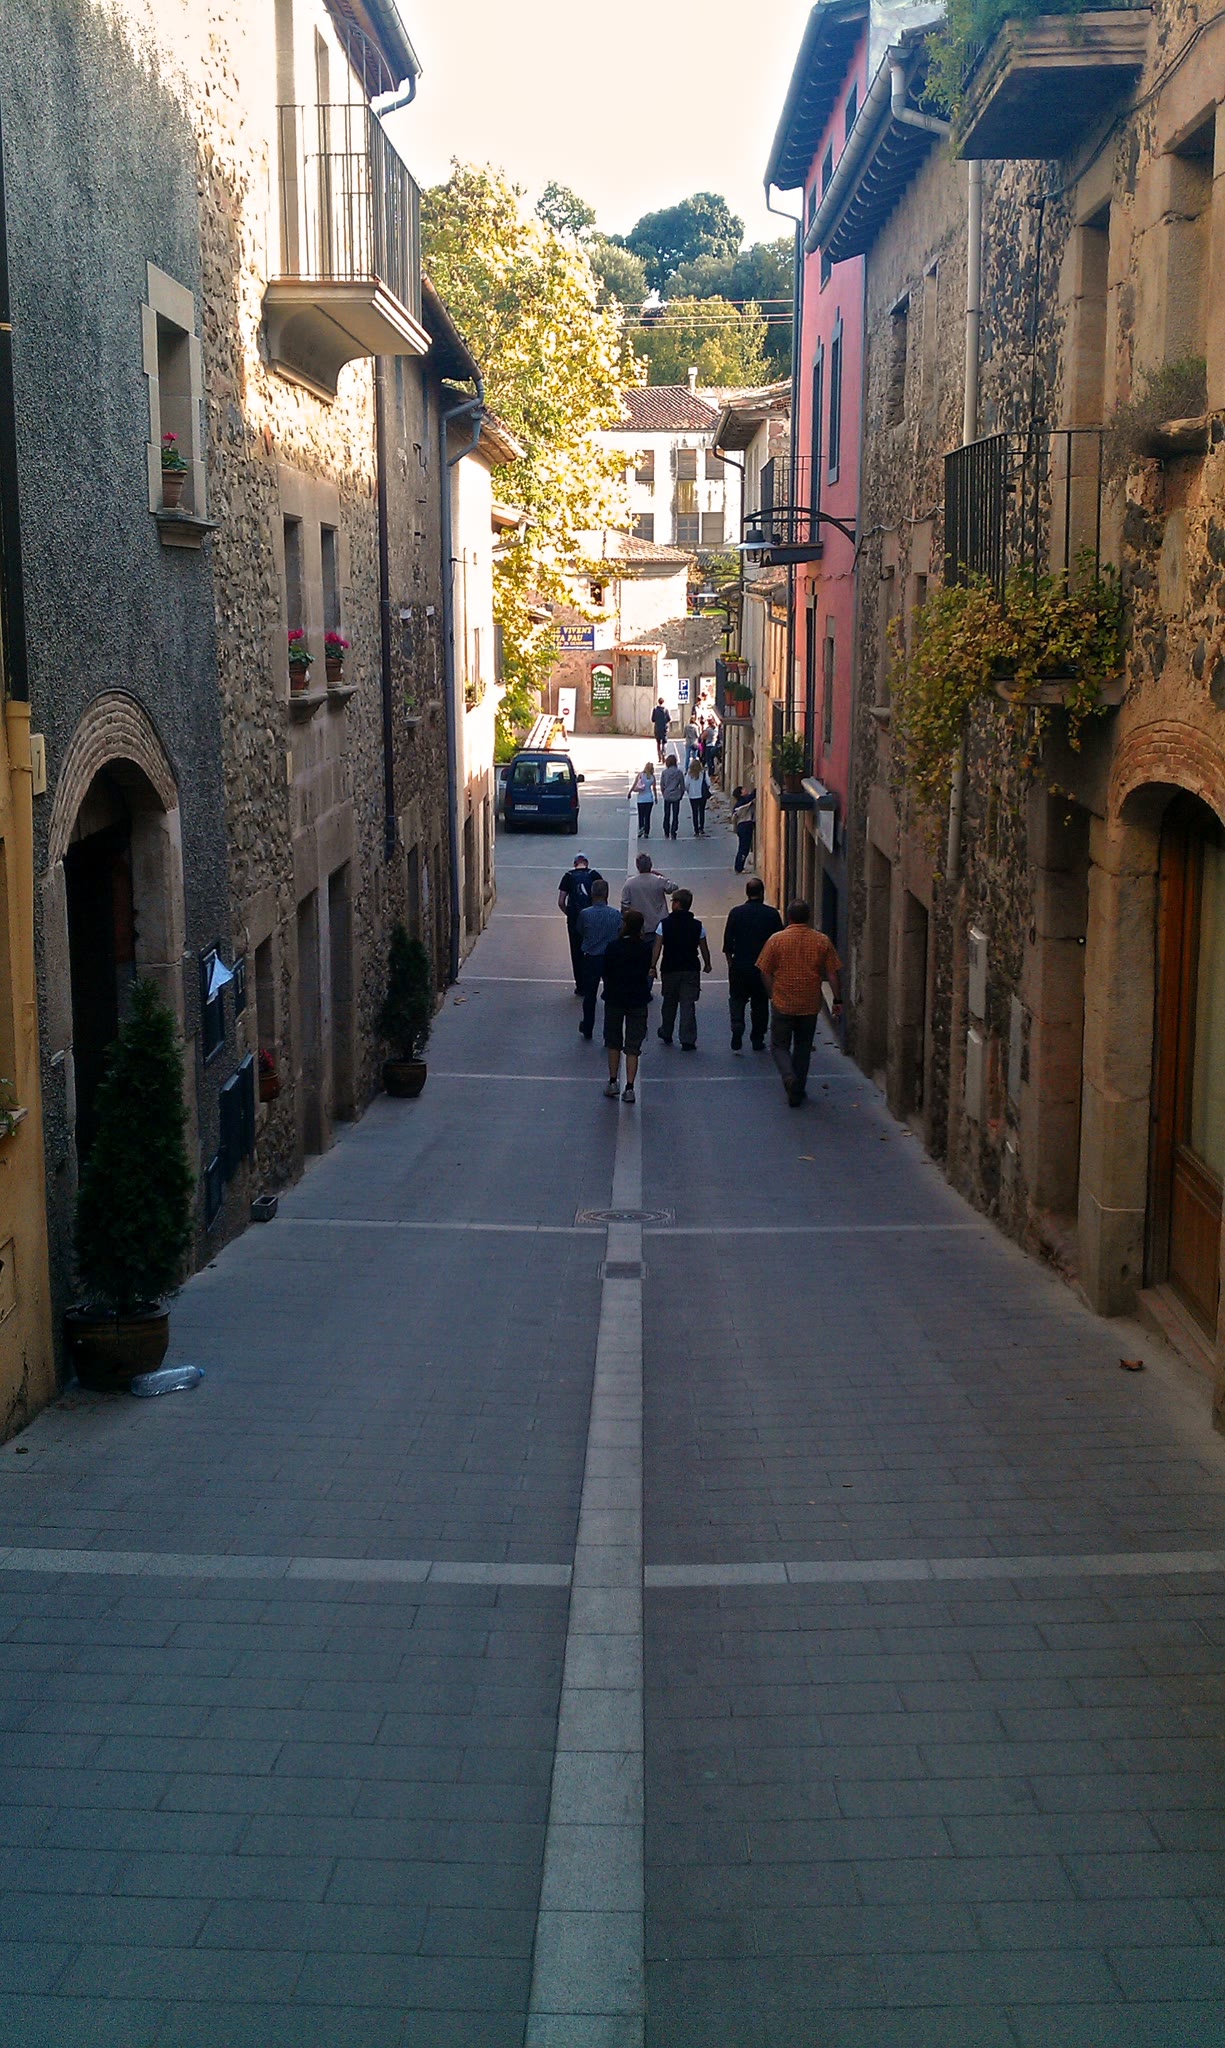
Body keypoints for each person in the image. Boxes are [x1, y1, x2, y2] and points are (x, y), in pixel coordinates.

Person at [756, 899, 842, 1107]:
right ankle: (798, 1089)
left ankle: (789, 1077)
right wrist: (837, 999)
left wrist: (772, 993)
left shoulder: (776, 940)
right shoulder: (822, 941)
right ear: (808, 917)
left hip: (783, 1002)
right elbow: (832, 973)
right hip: (809, 1003)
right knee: (803, 1047)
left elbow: (764, 970)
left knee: (779, 1046)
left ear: (789, 917)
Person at [601, 907, 656, 1103]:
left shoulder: (613, 947)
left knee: (613, 1041)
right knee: (633, 1046)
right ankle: (630, 1087)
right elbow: (646, 971)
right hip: (638, 998)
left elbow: (605, 971)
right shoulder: (644, 949)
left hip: (615, 998)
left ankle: (613, 1081)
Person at [722, 878, 783, 1052]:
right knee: (760, 1004)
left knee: (737, 999)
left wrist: (731, 965)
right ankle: (757, 1037)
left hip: (740, 965)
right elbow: (779, 942)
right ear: (762, 893)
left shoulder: (736, 913)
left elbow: (728, 944)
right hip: (763, 968)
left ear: (747, 893)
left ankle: (737, 1024)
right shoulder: (771, 914)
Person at [657, 888, 712, 1050]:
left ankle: (666, 1031)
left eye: (673, 901)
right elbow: (704, 947)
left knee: (669, 1002)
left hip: (670, 968)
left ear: (677, 904)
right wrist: (707, 963)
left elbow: (657, 946)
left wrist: (652, 965)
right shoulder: (697, 925)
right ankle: (687, 1039)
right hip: (690, 968)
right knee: (688, 1004)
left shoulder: (664, 924)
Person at [576, 878, 622, 1040]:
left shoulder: (585, 914)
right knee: (610, 996)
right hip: (610, 958)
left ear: (592, 894)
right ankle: (609, 1032)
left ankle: (588, 1027)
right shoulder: (616, 914)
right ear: (606, 894)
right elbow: (619, 933)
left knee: (590, 995)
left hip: (591, 957)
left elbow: (580, 931)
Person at [557, 853, 603, 996]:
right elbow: (601, 898)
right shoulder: (594, 875)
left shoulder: (568, 876)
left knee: (576, 952)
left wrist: (569, 913)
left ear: (575, 864)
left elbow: (561, 902)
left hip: (575, 920)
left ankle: (580, 985)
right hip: (592, 918)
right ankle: (591, 983)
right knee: (593, 950)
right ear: (587, 863)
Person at [621, 851, 675, 936]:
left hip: (639, 926)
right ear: (650, 865)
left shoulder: (629, 883)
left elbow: (625, 905)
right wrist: (661, 876)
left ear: (637, 866)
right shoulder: (658, 880)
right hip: (658, 925)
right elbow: (673, 887)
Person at [659, 753, 685, 840]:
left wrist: (664, 792)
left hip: (667, 794)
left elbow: (662, 784)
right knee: (675, 814)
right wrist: (681, 794)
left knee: (666, 813)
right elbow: (682, 785)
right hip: (676, 795)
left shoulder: (664, 773)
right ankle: (674, 831)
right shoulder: (679, 772)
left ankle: (666, 830)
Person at [629, 761, 658, 838]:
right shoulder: (652, 777)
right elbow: (654, 788)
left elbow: (635, 784)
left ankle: (641, 827)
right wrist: (655, 797)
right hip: (649, 799)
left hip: (641, 799)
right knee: (647, 816)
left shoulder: (640, 775)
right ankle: (646, 832)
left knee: (641, 815)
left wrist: (630, 792)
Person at [731, 785, 755, 873]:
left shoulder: (738, 804)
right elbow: (752, 796)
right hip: (745, 826)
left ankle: (738, 866)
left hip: (741, 827)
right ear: (741, 794)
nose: (746, 790)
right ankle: (739, 868)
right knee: (744, 848)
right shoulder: (743, 803)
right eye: (743, 790)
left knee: (742, 847)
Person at [685, 754, 711, 836]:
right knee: (702, 811)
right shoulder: (703, 773)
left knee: (694, 812)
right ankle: (701, 827)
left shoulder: (689, 774)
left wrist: (689, 791)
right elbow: (708, 783)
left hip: (693, 795)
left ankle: (696, 830)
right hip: (702, 795)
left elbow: (686, 784)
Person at [651, 698, 672, 763]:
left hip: (657, 729)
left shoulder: (655, 709)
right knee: (664, 743)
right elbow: (669, 719)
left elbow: (652, 719)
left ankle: (659, 757)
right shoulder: (666, 710)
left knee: (658, 743)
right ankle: (663, 755)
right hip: (664, 729)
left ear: (658, 702)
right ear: (663, 702)